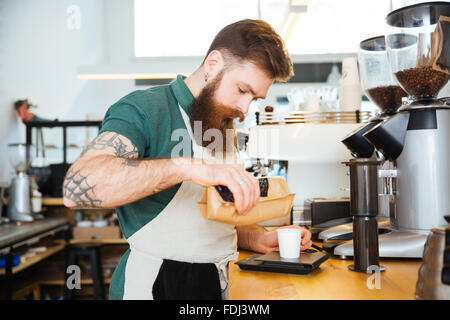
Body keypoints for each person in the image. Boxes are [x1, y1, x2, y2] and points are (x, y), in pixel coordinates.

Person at [62, 19, 312, 300]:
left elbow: (209, 222)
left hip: (217, 284)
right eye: (242, 90)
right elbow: (76, 188)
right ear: (213, 64)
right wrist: (188, 166)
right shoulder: (144, 109)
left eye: (254, 97)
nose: (244, 107)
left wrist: (258, 238)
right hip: (155, 286)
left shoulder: (221, 123)